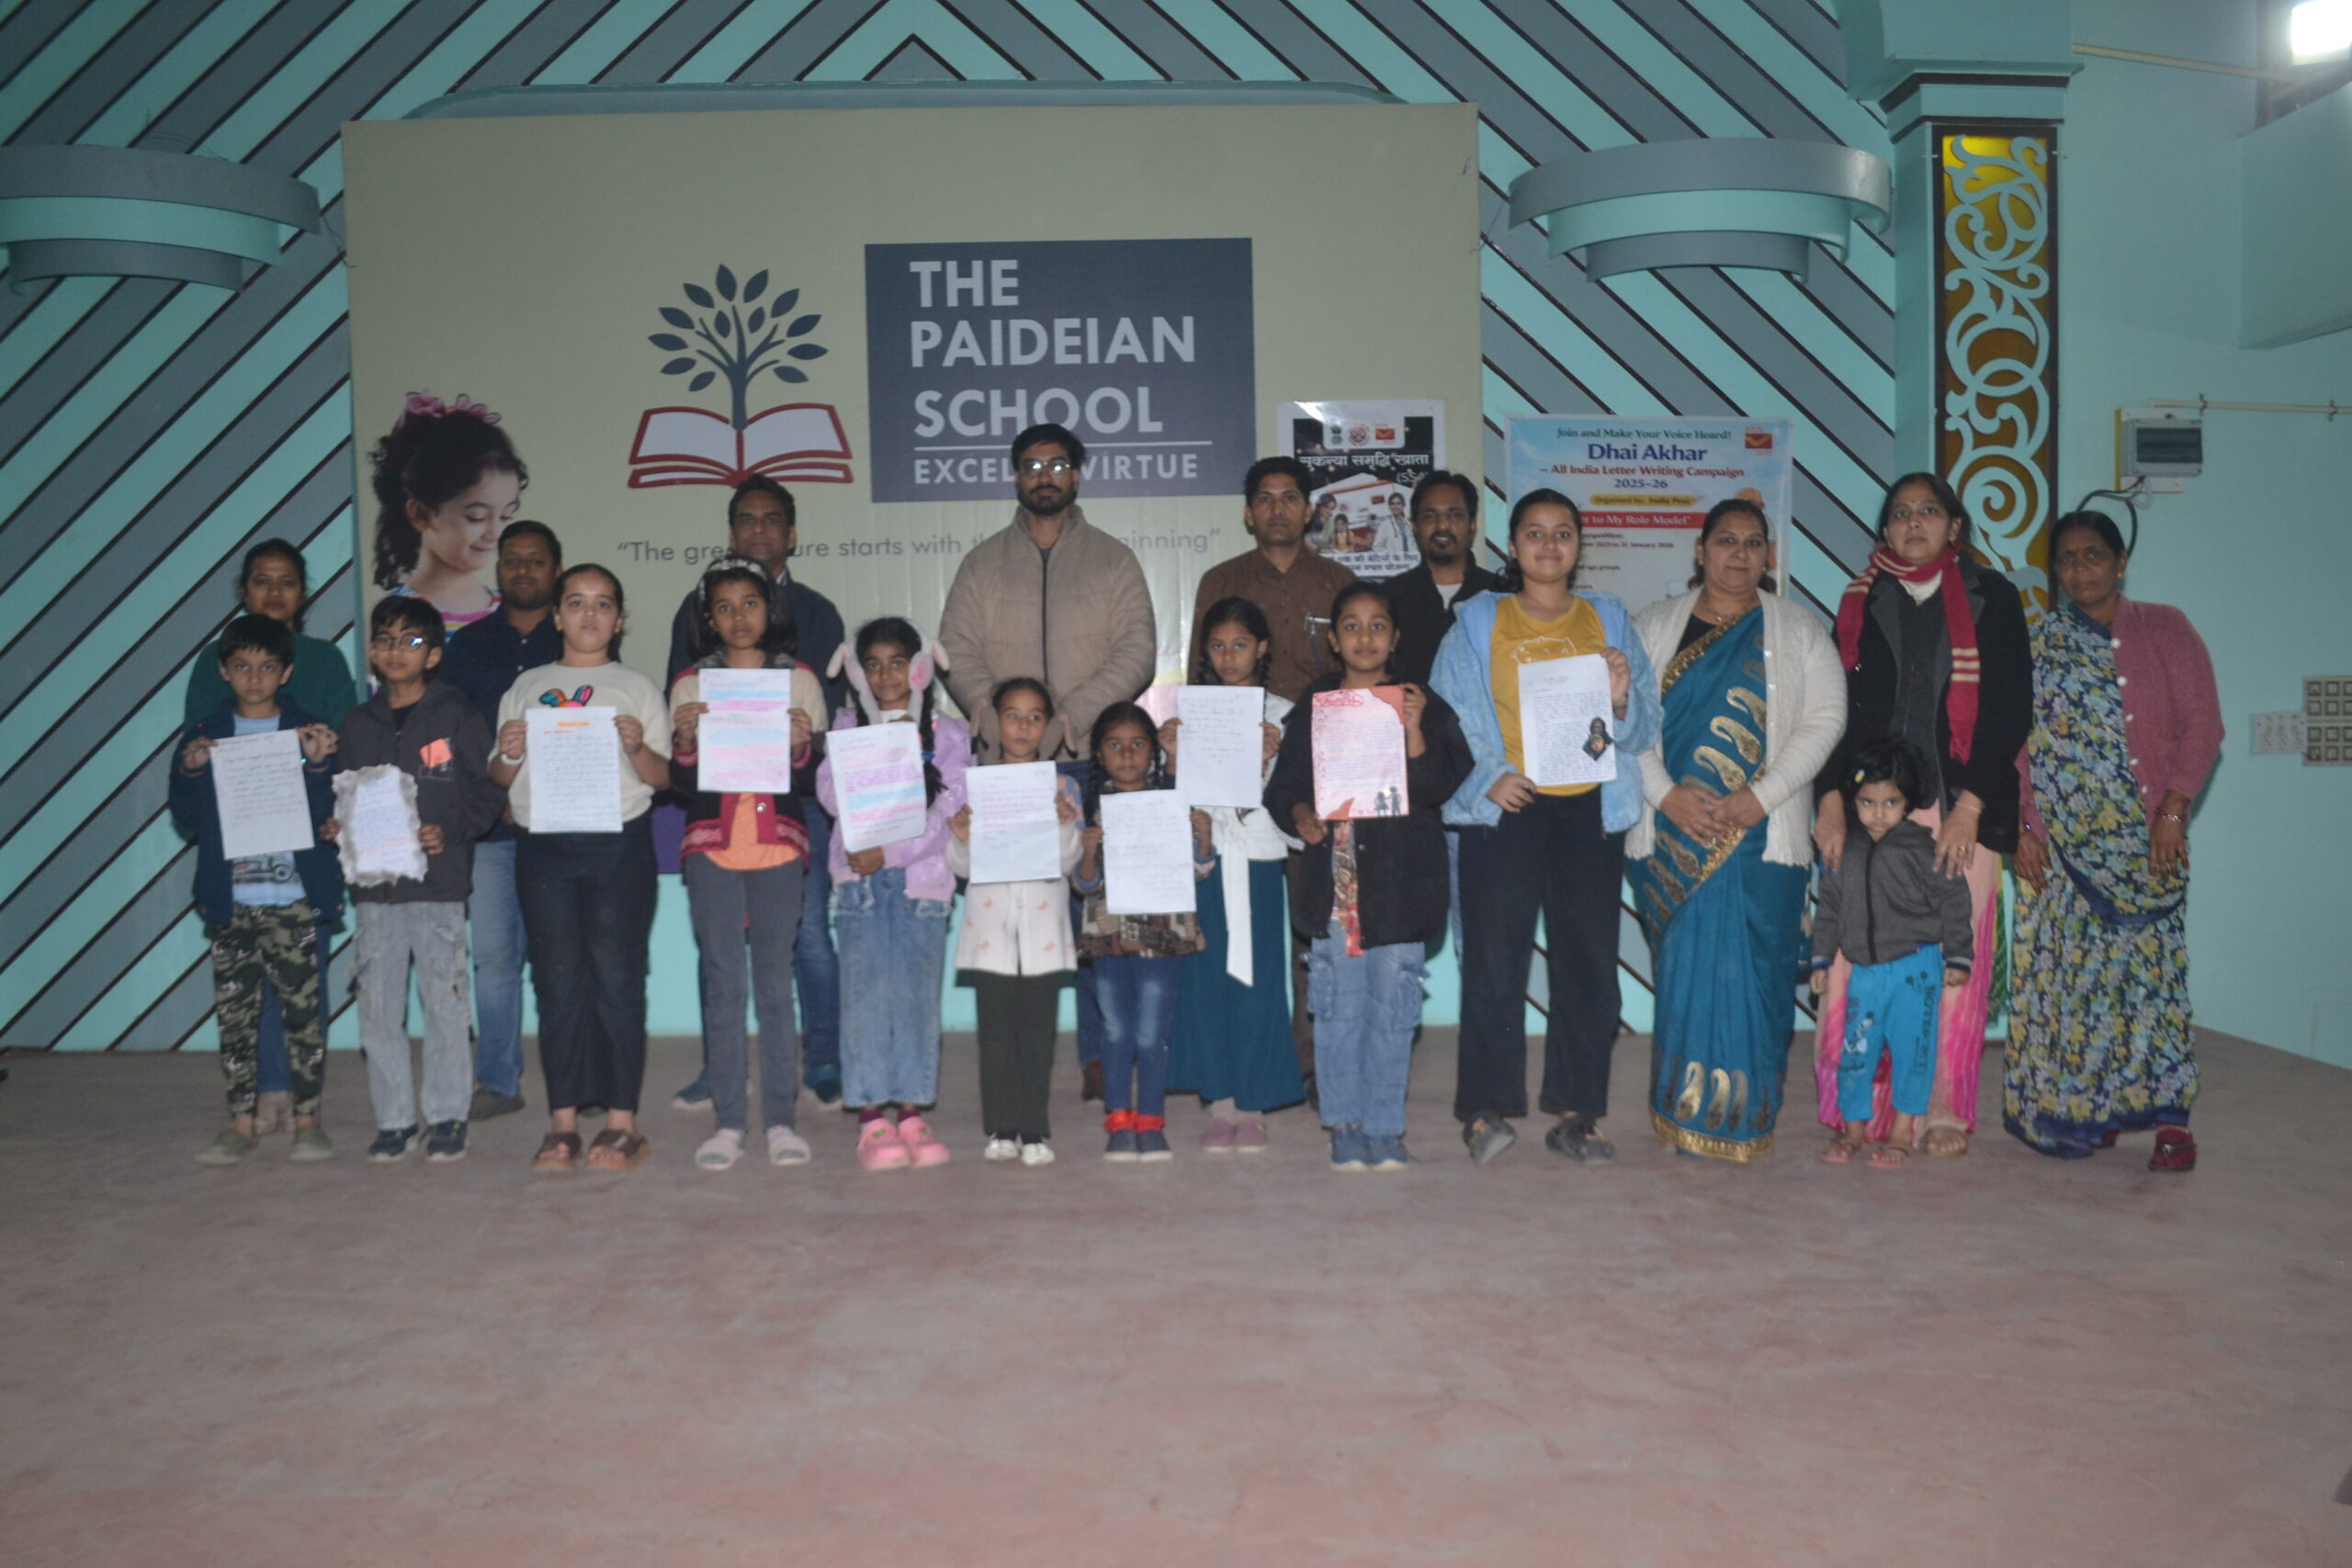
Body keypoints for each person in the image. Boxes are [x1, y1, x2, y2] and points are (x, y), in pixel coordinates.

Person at [1432, 489, 1661, 1167]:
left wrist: (1621, 699)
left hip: (1590, 810)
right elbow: (1446, 718)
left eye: (1563, 532)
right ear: (1512, 546)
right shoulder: (1479, 620)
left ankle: (1578, 1114)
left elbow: (1647, 726)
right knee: (1494, 962)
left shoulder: (1608, 618)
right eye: (1535, 532)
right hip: (1508, 806)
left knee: (1589, 963)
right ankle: (1483, 1110)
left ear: (1578, 545)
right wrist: (1488, 778)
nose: (1550, 544)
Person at [1815, 472, 2032, 1159]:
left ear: (1954, 526)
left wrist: (1971, 805)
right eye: (1901, 513)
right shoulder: (1861, 599)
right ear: (1885, 529)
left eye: (1929, 511)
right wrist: (1830, 799)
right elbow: (1832, 709)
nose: (1914, 523)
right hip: (1871, 810)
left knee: (1951, 964)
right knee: (1856, 958)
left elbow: (2009, 709)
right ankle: (1861, 1107)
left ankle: (1941, 1109)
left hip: (1958, 805)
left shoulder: (1992, 598)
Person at [1626, 499, 1846, 1162]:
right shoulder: (1653, 626)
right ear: (1700, 551)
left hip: (1763, 837)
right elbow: (1625, 721)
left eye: (1754, 543)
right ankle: (1684, 1113)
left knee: (1759, 974)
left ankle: (1748, 1116)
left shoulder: (1799, 629)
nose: (1740, 554)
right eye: (1727, 540)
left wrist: (1761, 797)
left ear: (1769, 555)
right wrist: (1665, 796)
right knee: (1688, 975)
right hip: (1674, 834)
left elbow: (1826, 719)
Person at [2007, 510, 2222, 1171]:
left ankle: (2171, 1121)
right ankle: (2088, 1109)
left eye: (2094, 555)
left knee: (2152, 984)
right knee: (2075, 988)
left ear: (2121, 561)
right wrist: (2023, 827)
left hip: (2148, 842)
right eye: (2067, 559)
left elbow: (2203, 726)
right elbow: (2019, 745)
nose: (2081, 569)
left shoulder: (2165, 627)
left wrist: (2173, 812)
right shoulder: (2040, 643)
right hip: (2065, 848)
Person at [1267, 583, 1473, 1169]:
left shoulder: (1420, 700)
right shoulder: (1316, 703)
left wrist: (1414, 729)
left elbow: (1438, 786)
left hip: (1402, 884)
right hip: (1338, 883)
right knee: (1338, 1009)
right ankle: (1345, 1124)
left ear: (1396, 638)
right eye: (1351, 626)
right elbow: (1286, 788)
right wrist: (1302, 817)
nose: (1365, 637)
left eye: (1377, 625)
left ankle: (1385, 1128)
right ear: (1334, 640)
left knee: (1393, 1011)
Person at [667, 478, 850, 1110]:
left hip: (793, 810)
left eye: (773, 520)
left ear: (792, 534)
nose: (760, 530)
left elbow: (821, 733)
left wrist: (801, 743)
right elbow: (681, 740)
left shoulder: (818, 615)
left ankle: (822, 1060)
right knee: (718, 955)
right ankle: (717, 1070)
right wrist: (685, 734)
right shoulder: (695, 653)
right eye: (747, 519)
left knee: (807, 938)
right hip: (718, 815)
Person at [491, 565, 672, 1173]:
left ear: (619, 620)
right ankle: (563, 1123)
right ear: (556, 615)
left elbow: (662, 778)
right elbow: (498, 776)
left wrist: (636, 747)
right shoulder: (527, 686)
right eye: (575, 602)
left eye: (602, 604)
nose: (589, 614)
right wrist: (509, 752)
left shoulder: (637, 687)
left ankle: (622, 1124)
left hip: (618, 845)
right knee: (556, 981)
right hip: (543, 846)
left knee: (618, 979)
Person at [182, 538, 358, 1135]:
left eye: (287, 581)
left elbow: (341, 744)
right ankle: (266, 1091)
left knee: (303, 982)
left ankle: (302, 1100)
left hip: (303, 850)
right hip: (236, 853)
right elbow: (197, 745)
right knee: (245, 989)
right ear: (244, 590)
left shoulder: (324, 660)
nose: (274, 591)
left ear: (303, 594)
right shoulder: (215, 659)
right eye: (262, 580)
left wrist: (317, 760)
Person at [669, 558, 828, 1172]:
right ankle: (730, 1122)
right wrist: (686, 742)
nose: (739, 617)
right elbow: (682, 780)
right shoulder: (692, 684)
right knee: (723, 982)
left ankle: (781, 1120)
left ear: (771, 611)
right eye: (725, 607)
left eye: (751, 604)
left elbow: (814, 779)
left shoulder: (799, 681)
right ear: (709, 618)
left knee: (775, 985)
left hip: (778, 844)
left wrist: (801, 744)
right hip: (712, 846)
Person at [339, 597, 505, 1165]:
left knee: (445, 1005)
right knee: (378, 1010)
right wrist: (337, 825)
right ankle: (394, 1120)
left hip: (438, 886)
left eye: (411, 642)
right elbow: (345, 795)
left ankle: (448, 1114)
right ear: (371, 651)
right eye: (385, 640)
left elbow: (487, 791)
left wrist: (449, 830)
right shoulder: (357, 723)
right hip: (376, 890)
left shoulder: (456, 713)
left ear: (434, 655)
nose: (396, 651)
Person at [818, 619, 969, 1172]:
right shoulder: (846, 727)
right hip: (859, 879)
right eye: (874, 664)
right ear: (858, 672)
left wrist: (891, 852)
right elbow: (829, 792)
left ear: (920, 668)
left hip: (922, 881)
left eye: (898, 662)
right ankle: (870, 1117)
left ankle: (910, 1110)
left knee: (915, 997)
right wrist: (875, 761)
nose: (887, 675)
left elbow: (952, 812)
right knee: (864, 995)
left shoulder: (949, 735)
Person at [1162, 598, 1304, 1151]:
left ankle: (1254, 1102)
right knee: (1206, 981)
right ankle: (1220, 1101)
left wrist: (1268, 762)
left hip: (1259, 860)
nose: (1228, 657)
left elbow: (1294, 800)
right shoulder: (1191, 711)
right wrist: (1173, 759)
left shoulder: (1284, 715)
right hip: (1206, 858)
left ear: (1262, 648)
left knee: (1258, 980)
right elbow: (1177, 801)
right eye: (1218, 646)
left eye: (1240, 645)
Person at [439, 519, 563, 1118]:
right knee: (492, 959)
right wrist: (486, 799)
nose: (523, 570)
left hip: (561, 827)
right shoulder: (466, 646)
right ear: (499, 568)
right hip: (490, 830)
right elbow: (451, 736)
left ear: (555, 570)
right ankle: (497, 1080)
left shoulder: (577, 640)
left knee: (564, 960)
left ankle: (578, 1082)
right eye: (512, 560)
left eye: (536, 560)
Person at [939, 423, 1157, 761]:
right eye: (1032, 467)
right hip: (1005, 758)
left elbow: (1137, 653)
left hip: (1087, 752)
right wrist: (1002, 717)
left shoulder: (1115, 559)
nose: (1044, 477)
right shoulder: (981, 563)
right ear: (1017, 478)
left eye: (1057, 466)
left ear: (1076, 476)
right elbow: (955, 650)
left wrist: (1072, 717)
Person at [1810, 739, 1975, 1169]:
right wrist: (1821, 959)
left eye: (1891, 802)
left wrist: (1959, 955)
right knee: (1856, 1053)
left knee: (1912, 1052)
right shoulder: (1844, 849)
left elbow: (1954, 898)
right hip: (1866, 974)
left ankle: (1902, 1132)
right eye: (1867, 802)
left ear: (1907, 802)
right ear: (1853, 800)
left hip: (1916, 970)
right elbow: (1829, 908)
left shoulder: (1922, 848)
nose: (1879, 813)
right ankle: (1853, 1129)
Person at [945, 678, 1084, 1167]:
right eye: (1012, 715)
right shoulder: (976, 786)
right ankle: (1002, 1127)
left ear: (1049, 726)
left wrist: (1065, 825)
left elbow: (1069, 861)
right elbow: (961, 867)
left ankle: (1035, 1130)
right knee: (997, 1036)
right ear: (993, 723)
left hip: (1043, 934)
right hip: (991, 934)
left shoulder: (1062, 788)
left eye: (1034, 717)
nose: (1023, 727)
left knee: (1038, 1035)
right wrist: (961, 837)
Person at [1071, 704, 1213, 1163]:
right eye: (1115, 745)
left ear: (1153, 751)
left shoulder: (1171, 805)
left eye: (1137, 744)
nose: (1127, 754)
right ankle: (1118, 1121)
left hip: (1162, 938)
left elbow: (1198, 871)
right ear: (1099, 753)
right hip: (1108, 937)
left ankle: (1150, 1121)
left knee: (1153, 1034)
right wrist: (1088, 852)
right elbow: (1084, 885)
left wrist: (1203, 839)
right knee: (1116, 1030)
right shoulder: (1087, 811)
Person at [1191, 457, 1359, 704]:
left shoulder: (1339, 582)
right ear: (1249, 514)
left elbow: (1360, 669)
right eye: (1265, 499)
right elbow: (1201, 675)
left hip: (1323, 719)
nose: (1277, 510)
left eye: (1289, 499)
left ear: (1308, 512)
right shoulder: (1219, 582)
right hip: (1243, 721)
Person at [368, 391, 525, 629]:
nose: (494, 533)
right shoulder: (393, 616)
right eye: (477, 517)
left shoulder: (512, 612)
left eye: (506, 517)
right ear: (420, 513)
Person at [1387, 472, 1505, 689]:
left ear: (1472, 525)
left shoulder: (1501, 595)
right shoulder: (1389, 598)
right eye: (1430, 516)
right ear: (1415, 526)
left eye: (1455, 515)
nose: (1442, 525)